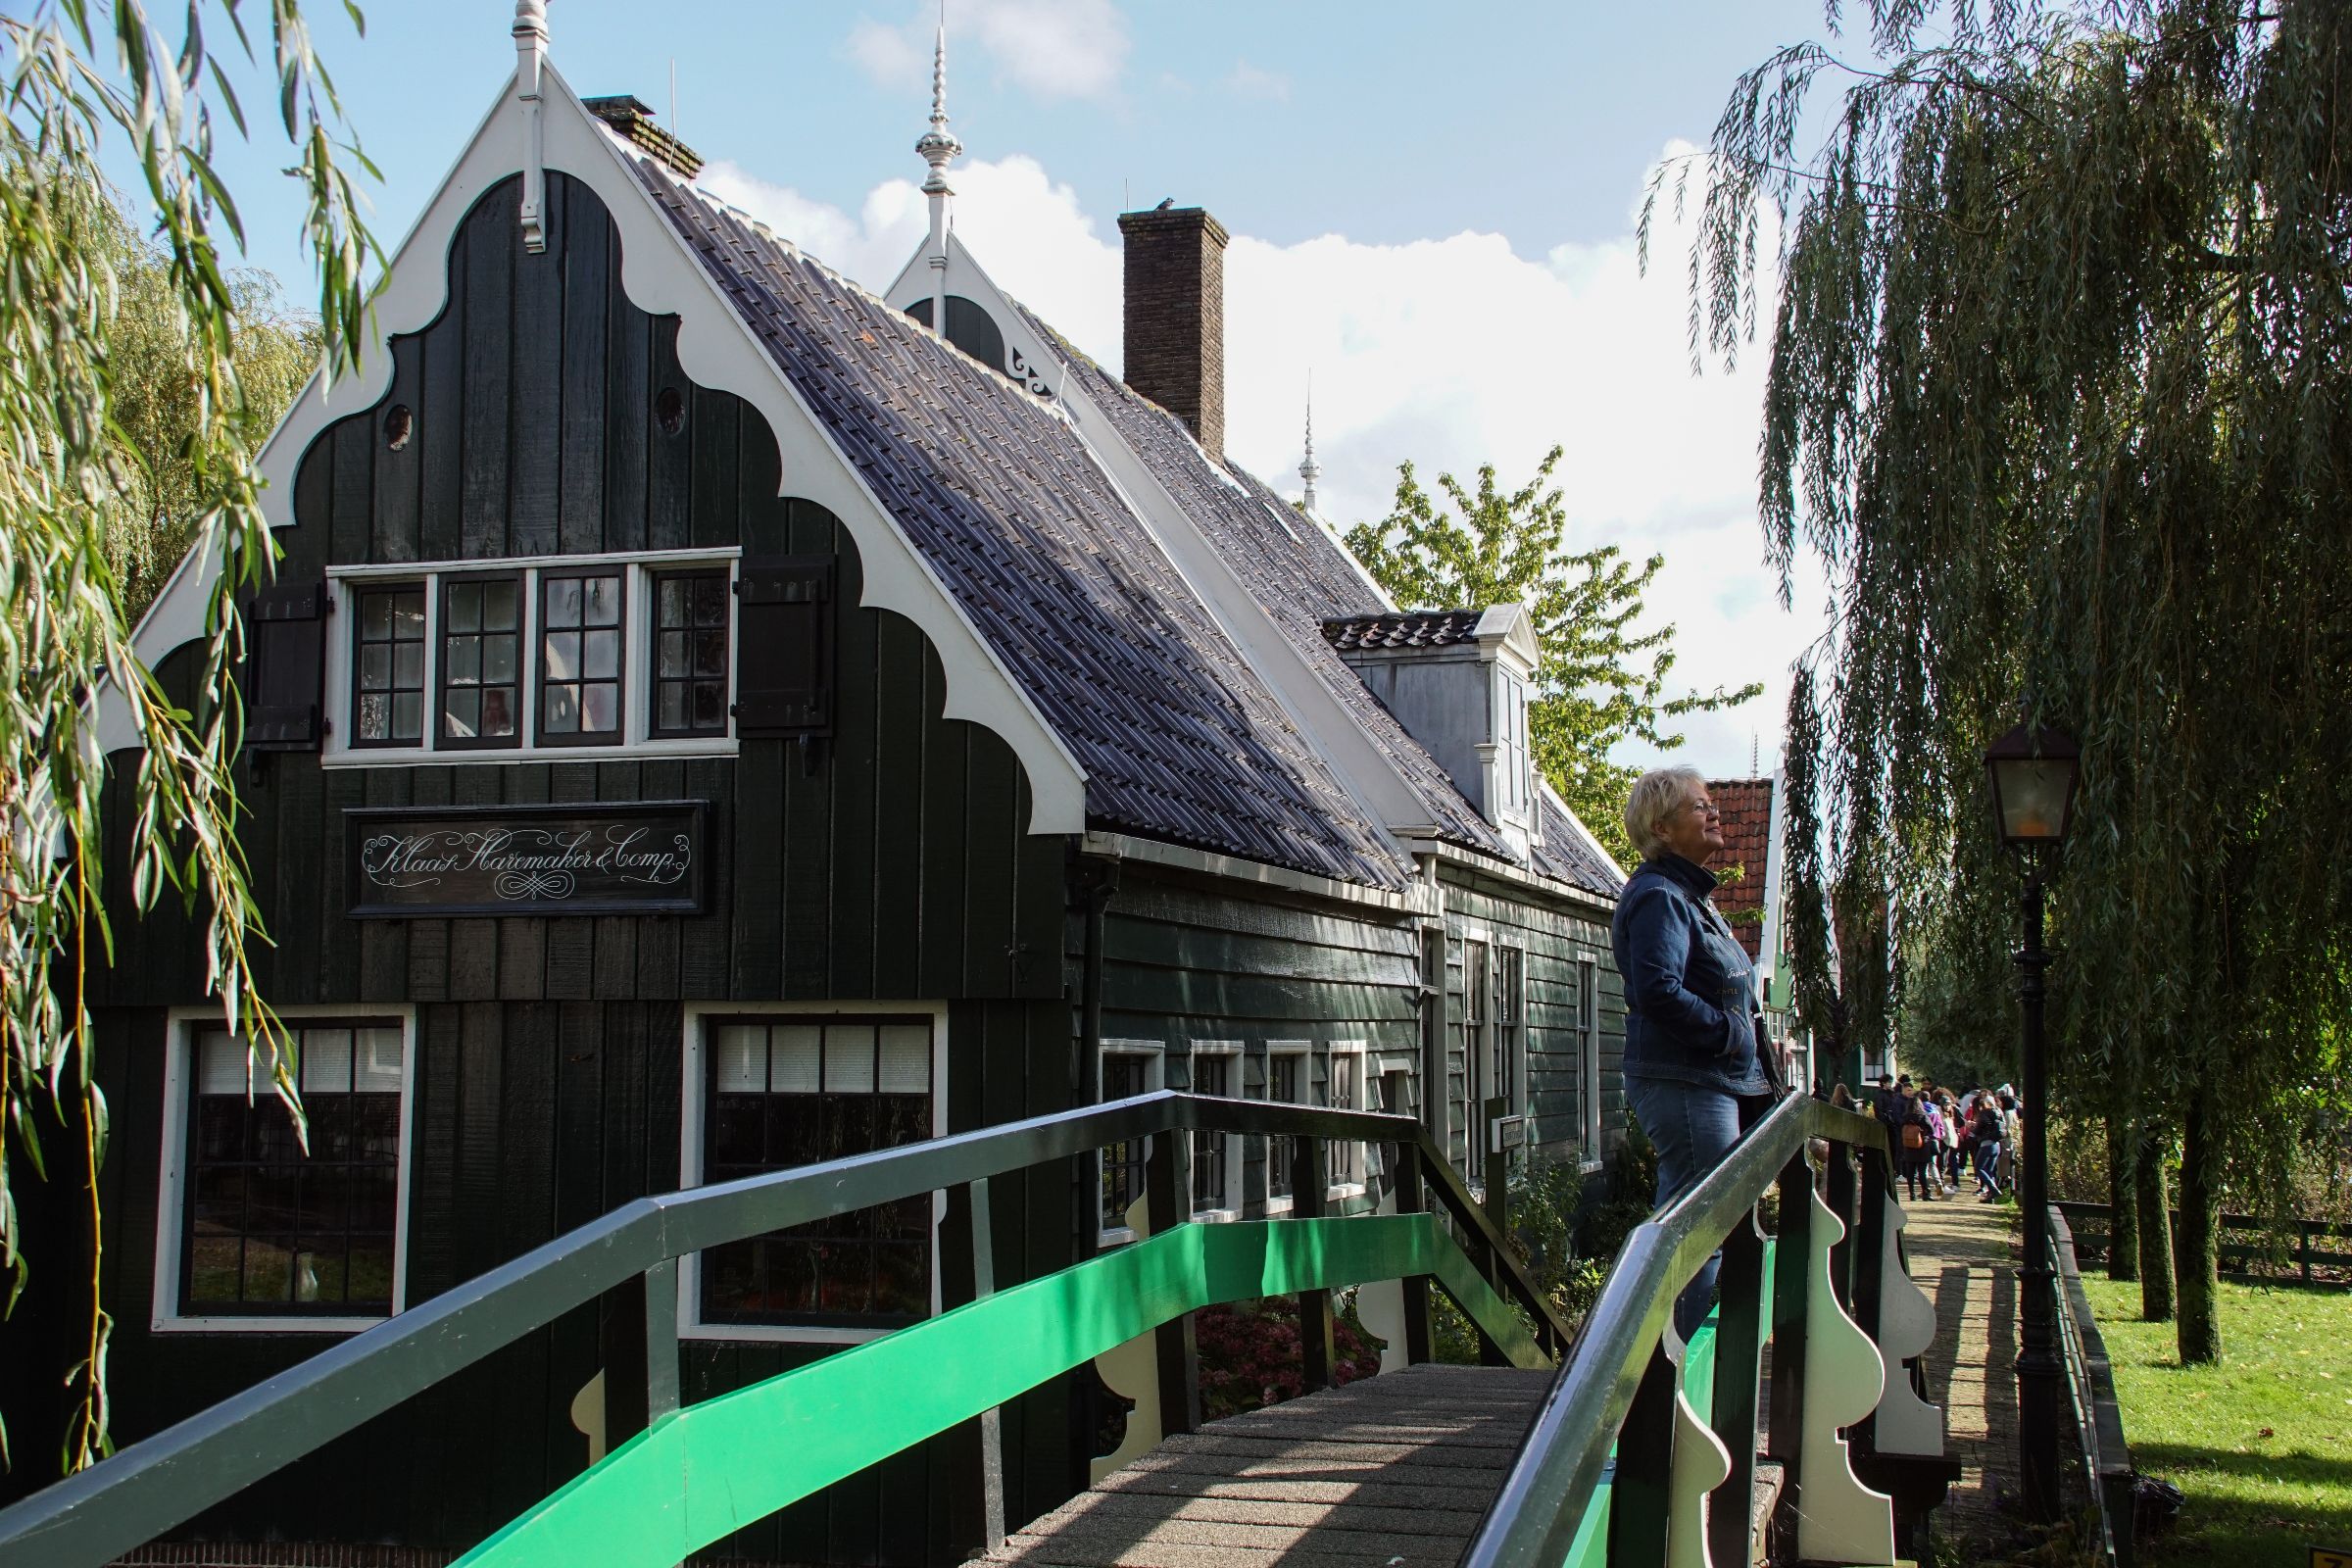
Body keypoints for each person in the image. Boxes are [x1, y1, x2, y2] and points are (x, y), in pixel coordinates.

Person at [1612, 765, 1784, 1341]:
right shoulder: (1661, 896)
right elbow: (1658, 988)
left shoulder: (1689, 898)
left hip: (1707, 1081)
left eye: (1712, 804)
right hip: (1686, 1081)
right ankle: (1663, 1382)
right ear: (1662, 827)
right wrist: (1728, 1034)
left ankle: (1667, 1372)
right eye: (1699, 807)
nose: (1714, 814)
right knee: (1696, 1229)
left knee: (1702, 1226)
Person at [1973, 1093, 2006, 1200]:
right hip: (1996, 1145)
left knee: (1979, 1168)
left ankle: (1994, 1189)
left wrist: (1972, 1126)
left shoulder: (1984, 1113)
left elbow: (1979, 1129)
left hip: (1986, 1144)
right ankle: (1990, 1196)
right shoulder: (1998, 1112)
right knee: (1989, 1170)